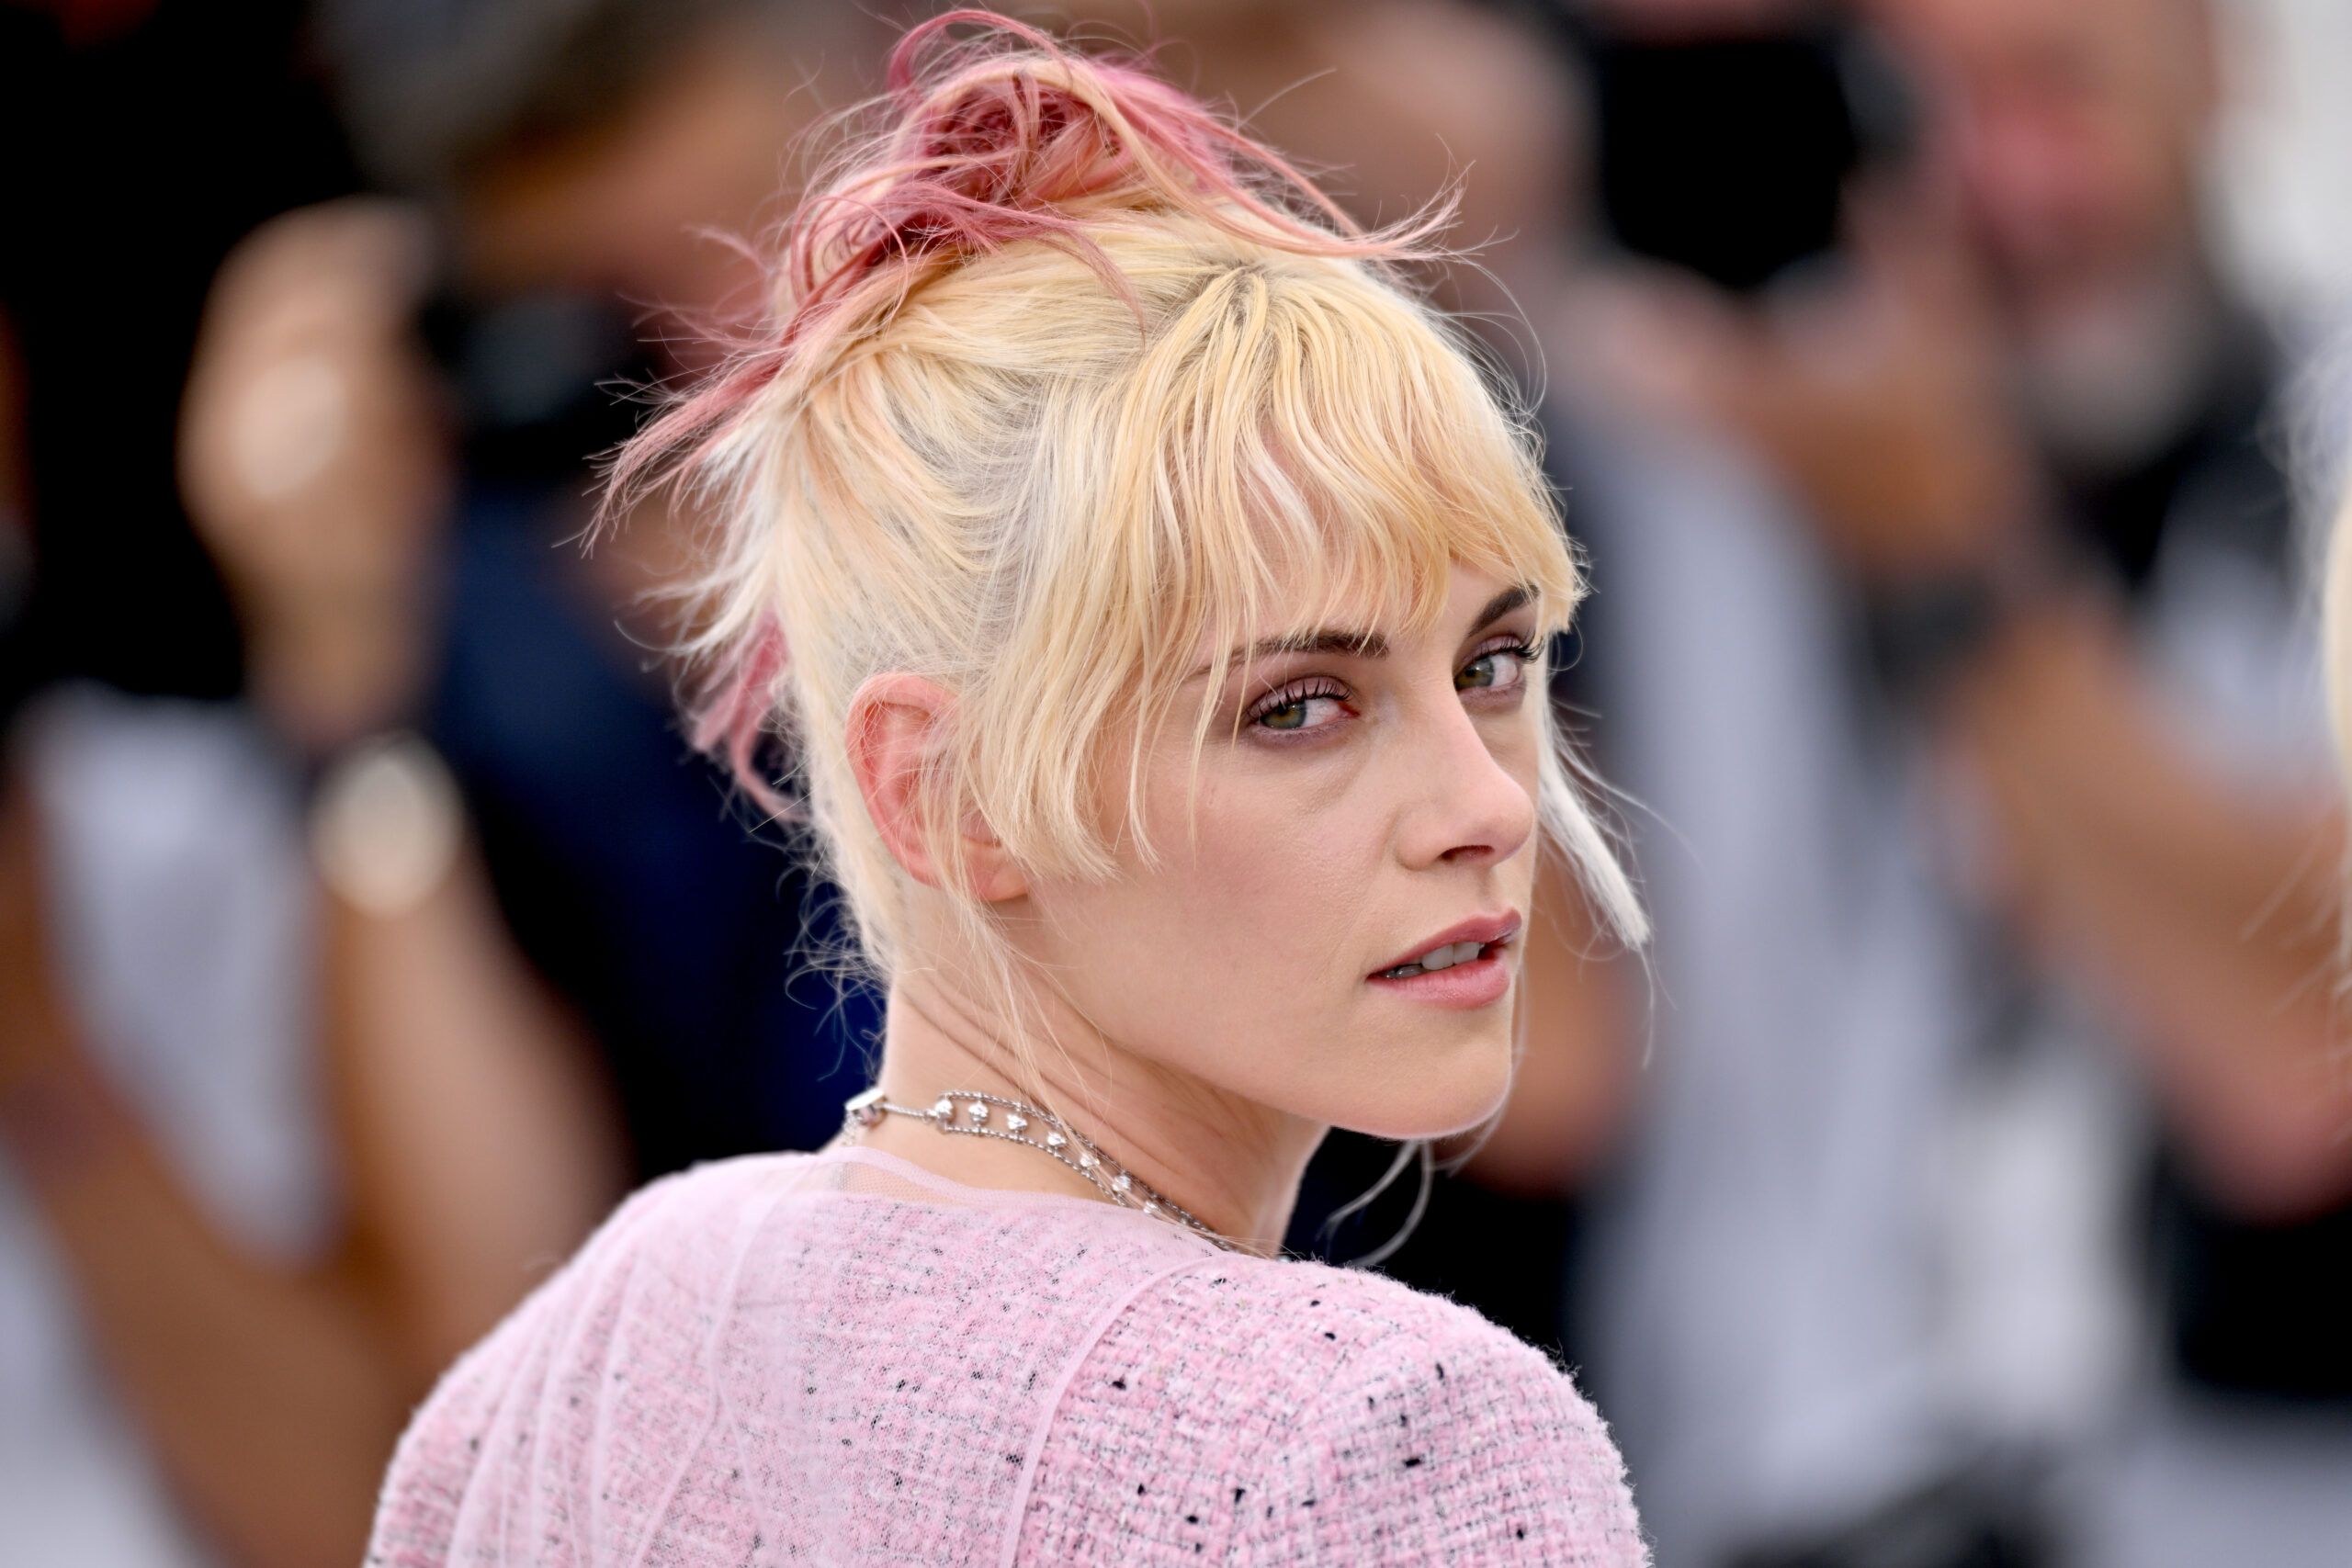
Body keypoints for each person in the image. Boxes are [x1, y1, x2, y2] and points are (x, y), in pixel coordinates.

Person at [367, 13, 1652, 1563]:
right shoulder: (1391, 1436)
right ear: (948, 794)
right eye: (1298, 707)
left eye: (1494, 663)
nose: (1490, 806)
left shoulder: (570, 1374)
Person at [1552, 0, 2352, 1562]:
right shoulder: (1673, 446)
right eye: (1933, 111)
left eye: (2063, 90)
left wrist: (1946, 559)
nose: (2008, 184)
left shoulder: (2315, 453)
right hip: (1750, 1496)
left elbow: (2298, 1064)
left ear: (2215, 64)